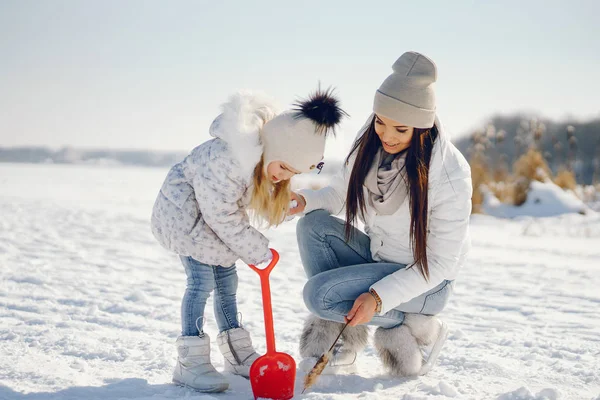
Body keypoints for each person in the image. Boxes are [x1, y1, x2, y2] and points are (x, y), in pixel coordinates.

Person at [290, 52, 472, 377]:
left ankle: (416, 328)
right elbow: (337, 195)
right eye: (380, 122)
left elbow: (442, 262)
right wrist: (301, 201)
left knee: (319, 296)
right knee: (313, 226)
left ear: (421, 127)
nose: (386, 136)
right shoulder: (371, 145)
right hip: (380, 258)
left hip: (427, 282)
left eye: (400, 129)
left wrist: (378, 297)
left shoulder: (449, 174)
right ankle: (345, 342)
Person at [151, 88, 345, 392]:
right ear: (271, 149)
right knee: (201, 283)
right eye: (283, 167)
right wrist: (257, 249)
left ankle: (237, 353)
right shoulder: (226, 160)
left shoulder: (262, 163)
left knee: (227, 285)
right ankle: (190, 360)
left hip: (215, 226)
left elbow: (249, 198)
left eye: (291, 173)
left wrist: (286, 207)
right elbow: (222, 215)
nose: (282, 176)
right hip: (185, 221)